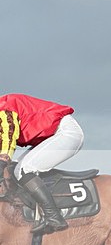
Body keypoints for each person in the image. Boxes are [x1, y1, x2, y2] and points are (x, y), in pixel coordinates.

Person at [0, 93, 85, 234]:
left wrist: (3, 159)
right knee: (16, 169)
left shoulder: (3, 108)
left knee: (24, 170)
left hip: (66, 133)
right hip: (53, 136)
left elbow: (8, 136)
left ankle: (54, 217)